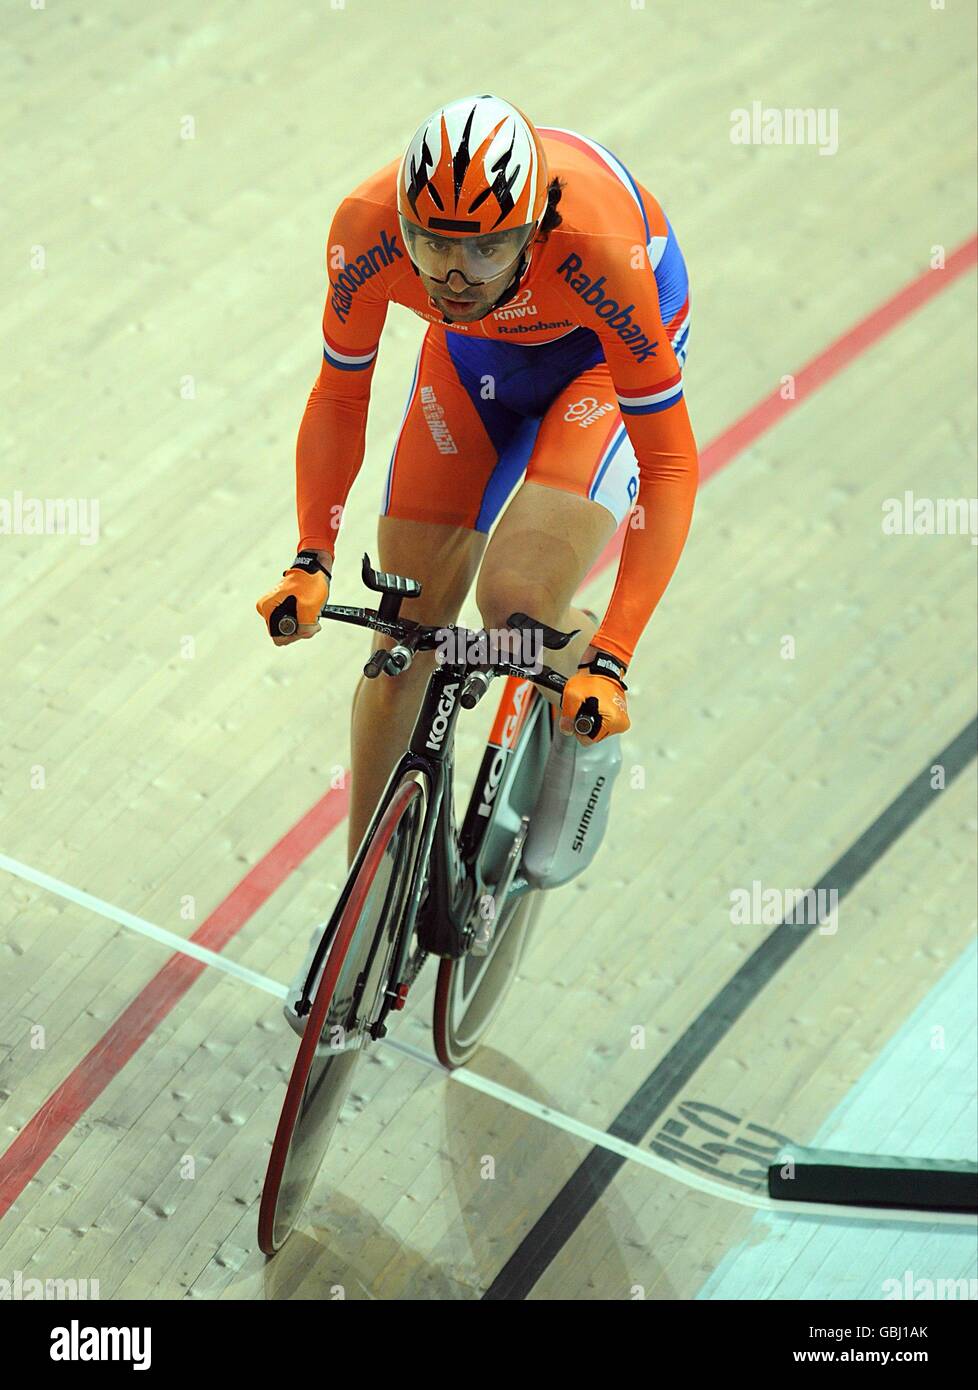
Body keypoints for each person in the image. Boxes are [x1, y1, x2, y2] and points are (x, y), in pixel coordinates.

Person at [258, 94, 697, 888]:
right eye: (433, 244)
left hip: (600, 358)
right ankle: (365, 908)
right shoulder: (365, 228)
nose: (457, 276)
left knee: (515, 600)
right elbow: (338, 395)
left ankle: (576, 693)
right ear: (402, 220)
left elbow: (668, 466)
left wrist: (616, 656)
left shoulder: (600, 248)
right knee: (403, 636)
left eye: (491, 248)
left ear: (536, 227)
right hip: (474, 360)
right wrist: (311, 556)